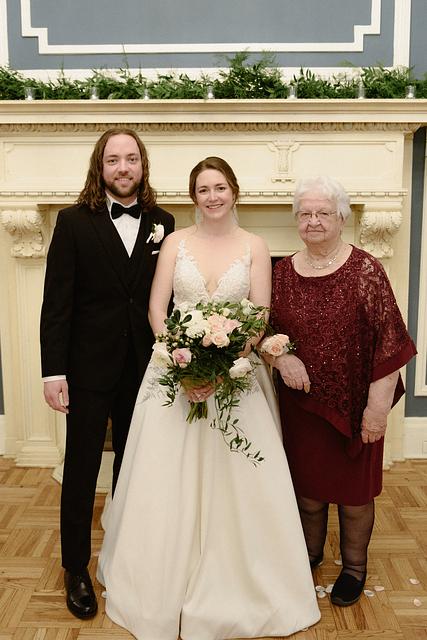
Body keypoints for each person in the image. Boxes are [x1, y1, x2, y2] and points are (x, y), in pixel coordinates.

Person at [97, 157, 321, 639]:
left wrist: (221, 367)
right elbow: (157, 308)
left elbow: (258, 315)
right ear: (194, 197)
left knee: (239, 480)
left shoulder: (255, 246)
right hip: (173, 374)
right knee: (164, 480)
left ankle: (244, 578)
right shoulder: (175, 243)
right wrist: (181, 362)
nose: (212, 197)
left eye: (220, 187)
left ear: (234, 192)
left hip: (236, 376)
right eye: (203, 189)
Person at [40, 128, 175, 619]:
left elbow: (165, 299)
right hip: (86, 368)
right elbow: (56, 303)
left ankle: (125, 557)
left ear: (143, 165)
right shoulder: (73, 222)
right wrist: (53, 372)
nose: (123, 167)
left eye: (131, 158)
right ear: (100, 167)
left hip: (145, 367)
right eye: (113, 159)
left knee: (135, 466)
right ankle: (75, 568)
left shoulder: (164, 222)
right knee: (81, 468)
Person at [268, 175, 416, 607]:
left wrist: (377, 410)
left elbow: (391, 342)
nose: (313, 221)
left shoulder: (366, 269)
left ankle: (353, 568)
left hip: (358, 404)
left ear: (341, 219)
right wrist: (281, 356)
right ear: (297, 219)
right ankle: (309, 556)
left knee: (354, 497)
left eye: (323, 213)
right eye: (305, 213)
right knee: (308, 492)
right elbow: (264, 330)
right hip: (301, 405)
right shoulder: (282, 272)